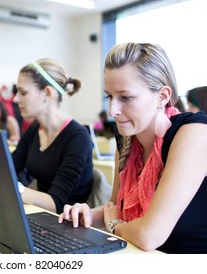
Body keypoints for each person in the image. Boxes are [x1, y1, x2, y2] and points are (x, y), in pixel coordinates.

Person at [59, 42, 207, 253]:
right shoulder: (127, 138)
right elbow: (116, 210)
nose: (112, 110)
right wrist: (88, 215)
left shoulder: (194, 132)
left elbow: (148, 235)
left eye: (126, 97)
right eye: (109, 96)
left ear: (162, 96)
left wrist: (113, 226)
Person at [11, 58, 94, 214]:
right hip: (39, 216)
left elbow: (57, 203)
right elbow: (9, 167)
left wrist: (15, 188)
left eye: (23, 92)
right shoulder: (34, 130)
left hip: (67, 225)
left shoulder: (77, 137)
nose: (16, 99)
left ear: (47, 93)